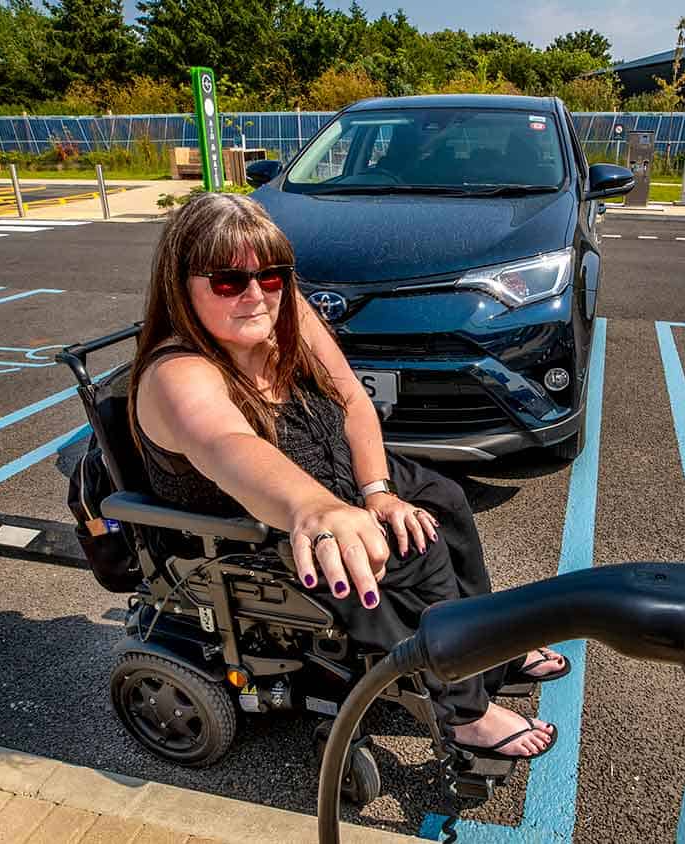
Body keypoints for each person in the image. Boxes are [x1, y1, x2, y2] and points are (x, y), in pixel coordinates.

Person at [127, 192, 569, 759]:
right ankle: (464, 711)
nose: (256, 294)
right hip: (255, 529)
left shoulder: (284, 312)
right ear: (181, 286)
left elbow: (353, 399)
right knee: (419, 548)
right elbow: (226, 442)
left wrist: (376, 491)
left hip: (334, 470)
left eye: (271, 275)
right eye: (227, 281)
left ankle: (489, 649)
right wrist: (315, 508)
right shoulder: (177, 374)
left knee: (444, 499)